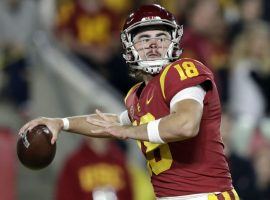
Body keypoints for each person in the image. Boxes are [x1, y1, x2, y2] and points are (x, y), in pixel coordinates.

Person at [19, 4, 239, 200]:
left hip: (205, 195)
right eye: (144, 38)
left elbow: (185, 124)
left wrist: (126, 131)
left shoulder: (182, 71)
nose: (153, 45)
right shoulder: (138, 94)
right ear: (129, 46)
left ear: (172, 42)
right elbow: (110, 123)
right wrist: (62, 123)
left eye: (161, 37)